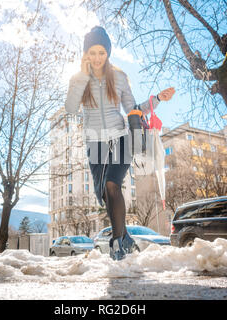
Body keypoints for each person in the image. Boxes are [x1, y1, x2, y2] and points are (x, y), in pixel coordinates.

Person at [65, 26, 175, 260]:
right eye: (92, 53)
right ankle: (125, 238)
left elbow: (133, 109)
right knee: (104, 193)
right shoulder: (78, 79)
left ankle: (117, 244)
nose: (96, 58)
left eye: (101, 53)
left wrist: (157, 99)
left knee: (113, 185)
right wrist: (83, 77)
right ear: (85, 54)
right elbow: (71, 108)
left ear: (108, 53)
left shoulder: (119, 77)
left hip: (121, 137)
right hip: (95, 143)